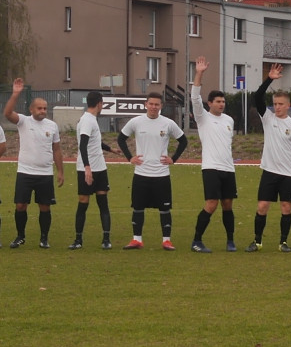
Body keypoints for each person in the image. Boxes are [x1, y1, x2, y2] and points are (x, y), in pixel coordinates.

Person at [244, 64, 291, 252]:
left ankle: (283, 242)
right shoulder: (268, 118)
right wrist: (269, 79)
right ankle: (257, 241)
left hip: (287, 173)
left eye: (280, 104)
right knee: (262, 206)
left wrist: (287, 157)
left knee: (286, 207)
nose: (277, 107)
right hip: (269, 172)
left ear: (288, 105)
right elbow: (257, 97)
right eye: (275, 104)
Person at [117, 91, 188, 250]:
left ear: (161, 106)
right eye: (151, 104)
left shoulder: (168, 123)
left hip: (161, 174)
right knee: (138, 207)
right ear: (145, 105)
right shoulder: (136, 122)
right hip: (141, 173)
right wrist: (130, 157)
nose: (154, 107)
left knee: (164, 208)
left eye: (157, 104)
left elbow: (183, 141)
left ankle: (166, 240)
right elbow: (121, 138)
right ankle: (137, 239)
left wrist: (173, 158)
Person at [3, 78, 64, 248]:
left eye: (45, 108)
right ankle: (20, 236)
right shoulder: (23, 121)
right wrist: (15, 94)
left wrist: (60, 171)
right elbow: (7, 113)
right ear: (31, 109)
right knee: (21, 205)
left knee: (45, 207)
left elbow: (57, 150)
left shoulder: (52, 126)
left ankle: (44, 238)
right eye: (39, 108)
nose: (43, 111)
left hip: (45, 174)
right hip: (25, 172)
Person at [187, 57, 238, 253]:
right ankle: (196, 241)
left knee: (227, 205)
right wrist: (199, 73)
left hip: (228, 168)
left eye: (223, 101)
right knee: (211, 204)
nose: (222, 104)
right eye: (218, 101)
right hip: (211, 168)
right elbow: (194, 98)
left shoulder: (229, 120)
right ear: (210, 103)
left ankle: (230, 241)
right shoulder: (203, 117)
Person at [70, 90, 113, 250]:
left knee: (103, 203)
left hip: (100, 168)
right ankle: (78, 240)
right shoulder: (87, 120)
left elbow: (95, 142)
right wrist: (87, 168)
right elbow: (83, 144)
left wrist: (110, 149)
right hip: (86, 169)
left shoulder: (90, 119)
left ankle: (106, 239)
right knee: (84, 203)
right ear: (100, 103)